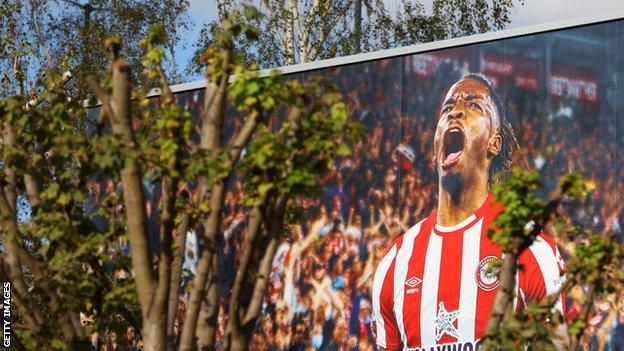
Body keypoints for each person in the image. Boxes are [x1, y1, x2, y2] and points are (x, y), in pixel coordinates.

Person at [371, 74, 567, 350]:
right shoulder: (394, 263)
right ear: (435, 149)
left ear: (493, 144)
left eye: (474, 104)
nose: (456, 110)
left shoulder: (529, 248)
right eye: (447, 107)